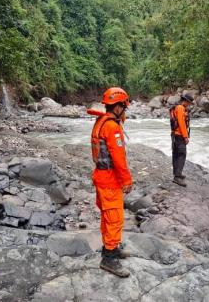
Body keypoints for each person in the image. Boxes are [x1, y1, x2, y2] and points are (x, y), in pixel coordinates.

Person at [89, 87, 133, 278]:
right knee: (115, 218)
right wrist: (127, 180)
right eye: (124, 107)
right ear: (118, 107)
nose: (125, 111)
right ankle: (108, 259)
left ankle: (112, 248)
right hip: (110, 180)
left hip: (100, 177)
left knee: (108, 217)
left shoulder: (100, 121)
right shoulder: (112, 127)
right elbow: (118, 158)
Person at [170, 93, 194, 187]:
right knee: (182, 155)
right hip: (179, 135)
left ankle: (177, 173)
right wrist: (185, 137)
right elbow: (181, 123)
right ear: (186, 101)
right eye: (189, 103)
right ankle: (177, 177)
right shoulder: (180, 108)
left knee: (176, 154)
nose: (189, 104)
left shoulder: (178, 107)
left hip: (175, 135)